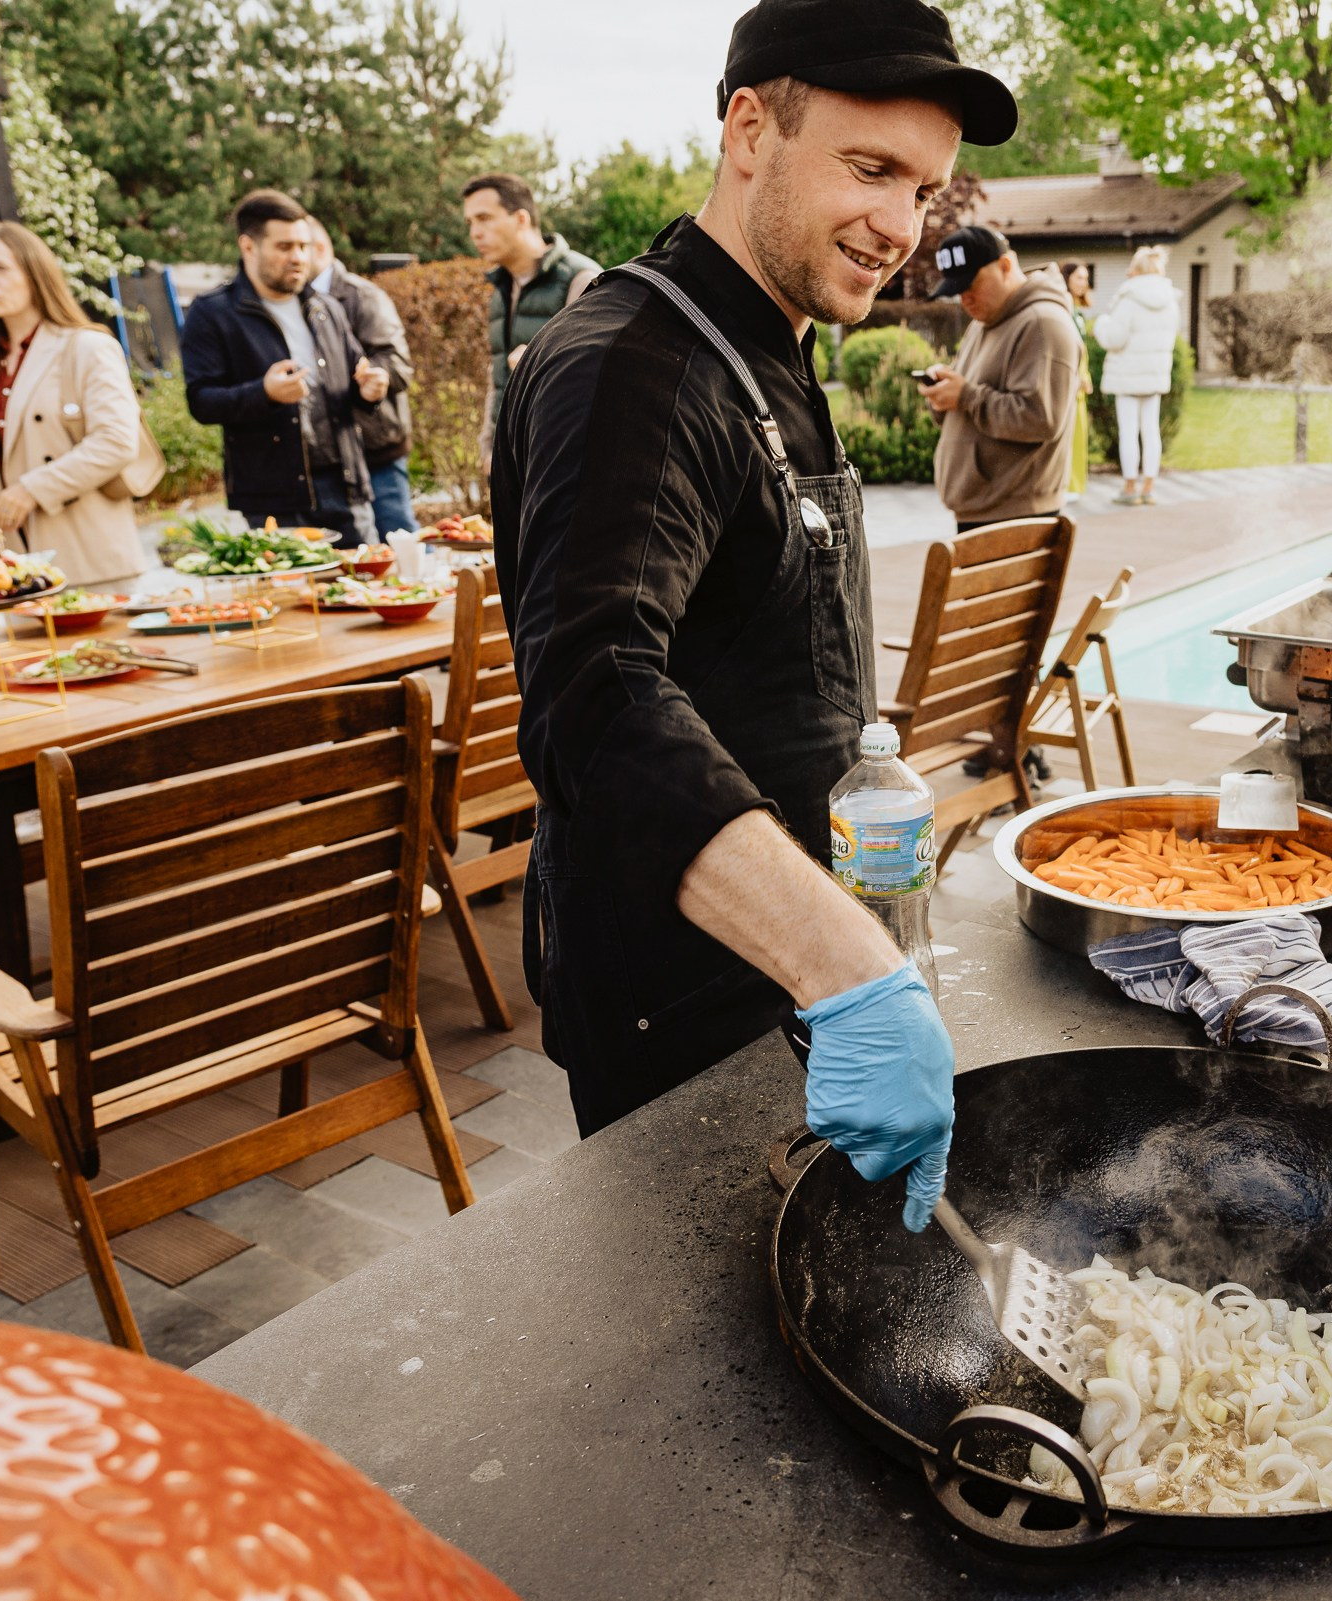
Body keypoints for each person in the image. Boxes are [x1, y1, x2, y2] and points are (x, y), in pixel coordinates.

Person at [492, 0, 1019, 1229]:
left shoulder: (768, 336)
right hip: (685, 1000)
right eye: (870, 168)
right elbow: (595, 701)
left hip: (795, 962)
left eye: (927, 190)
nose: (902, 226)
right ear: (747, 128)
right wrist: (844, 973)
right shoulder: (629, 364)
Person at [0, 221, 147, 585]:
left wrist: (33, 489)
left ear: (34, 271)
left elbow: (115, 441)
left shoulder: (86, 348)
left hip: (89, 561)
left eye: (0, 268)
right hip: (9, 568)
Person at [181, 189, 386, 545]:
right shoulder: (212, 313)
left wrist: (370, 391)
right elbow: (201, 401)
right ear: (248, 247)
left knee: (365, 592)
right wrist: (264, 393)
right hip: (273, 499)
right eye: (285, 247)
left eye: (304, 246)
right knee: (293, 600)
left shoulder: (327, 308)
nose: (299, 257)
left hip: (346, 487)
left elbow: (356, 379)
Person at [921, 225, 1079, 531]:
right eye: (956, 290)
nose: (964, 298)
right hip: (988, 508)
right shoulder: (985, 320)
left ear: (1006, 266)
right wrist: (945, 394)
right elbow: (971, 398)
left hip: (1017, 514)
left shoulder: (1042, 323)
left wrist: (966, 396)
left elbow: (1041, 418)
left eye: (971, 284)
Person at [463, 172, 598, 473]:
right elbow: (496, 375)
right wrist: (489, 447)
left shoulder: (582, 279)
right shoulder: (501, 290)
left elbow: (595, 383)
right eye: (470, 222)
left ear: (521, 218)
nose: (475, 233)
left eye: (484, 218)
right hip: (510, 466)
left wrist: (541, 365)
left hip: (559, 466)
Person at [306, 218, 416, 533]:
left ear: (320, 248)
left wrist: (376, 375)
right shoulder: (292, 304)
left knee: (398, 541)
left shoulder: (362, 295)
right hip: (332, 456)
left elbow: (398, 362)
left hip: (376, 448)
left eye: (300, 248)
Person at [1092, 245, 1179, 505]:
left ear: (1136, 269)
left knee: (1129, 431)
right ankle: (1149, 487)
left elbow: (1114, 338)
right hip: (1154, 374)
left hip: (1127, 375)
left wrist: (1101, 324)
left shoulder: (1129, 299)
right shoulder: (1170, 300)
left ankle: (1130, 487)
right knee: (1150, 430)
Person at [1061, 261, 1094, 501]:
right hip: (1069, 377)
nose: (1084, 283)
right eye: (1079, 277)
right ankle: (1067, 484)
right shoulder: (1064, 308)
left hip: (1080, 376)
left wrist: (1086, 376)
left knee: (1080, 433)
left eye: (1086, 278)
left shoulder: (1079, 312)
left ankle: (1077, 485)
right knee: (1069, 432)